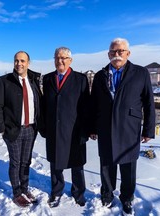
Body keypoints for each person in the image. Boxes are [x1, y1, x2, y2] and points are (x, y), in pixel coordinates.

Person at [89, 38, 155, 215]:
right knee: (106, 165)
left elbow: (149, 102)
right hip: (105, 127)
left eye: (120, 51)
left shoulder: (140, 73)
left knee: (128, 168)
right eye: (113, 52)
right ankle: (107, 195)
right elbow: (94, 103)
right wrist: (92, 127)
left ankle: (127, 198)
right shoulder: (100, 75)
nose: (116, 55)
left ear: (128, 53)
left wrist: (148, 129)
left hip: (129, 128)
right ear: (108, 54)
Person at [0, 51, 42, 208]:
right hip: (13, 130)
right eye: (16, 61)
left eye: (22, 61)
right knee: (15, 162)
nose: (19, 64)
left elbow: (39, 103)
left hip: (31, 129)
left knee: (26, 161)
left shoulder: (33, 81)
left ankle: (25, 189)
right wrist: (2, 129)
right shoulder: (4, 81)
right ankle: (16, 193)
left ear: (28, 63)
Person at [41, 47, 90, 208]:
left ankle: (79, 192)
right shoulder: (47, 79)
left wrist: (85, 131)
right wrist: (43, 127)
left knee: (77, 165)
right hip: (54, 130)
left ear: (70, 60)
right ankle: (56, 192)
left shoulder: (80, 79)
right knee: (55, 164)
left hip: (74, 130)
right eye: (56, 57)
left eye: (63, 58)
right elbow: (43, 106)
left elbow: (85, 107)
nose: (59, 61)